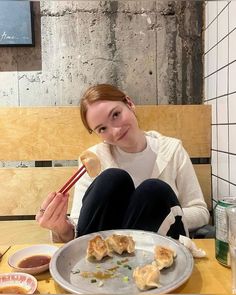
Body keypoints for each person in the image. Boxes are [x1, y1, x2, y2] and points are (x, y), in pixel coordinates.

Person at [36, 84, 210, 242]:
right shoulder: (92, 159)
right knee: (112, 179)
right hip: (105, 259)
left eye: (116, 114)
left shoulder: (172, 150)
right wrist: (60, 227)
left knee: (153, 190)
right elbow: (79, 228)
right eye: (102, 129)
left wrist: (161, 212)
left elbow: (200, 212)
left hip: (161, 251)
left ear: (129, 103)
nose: (116, 131)